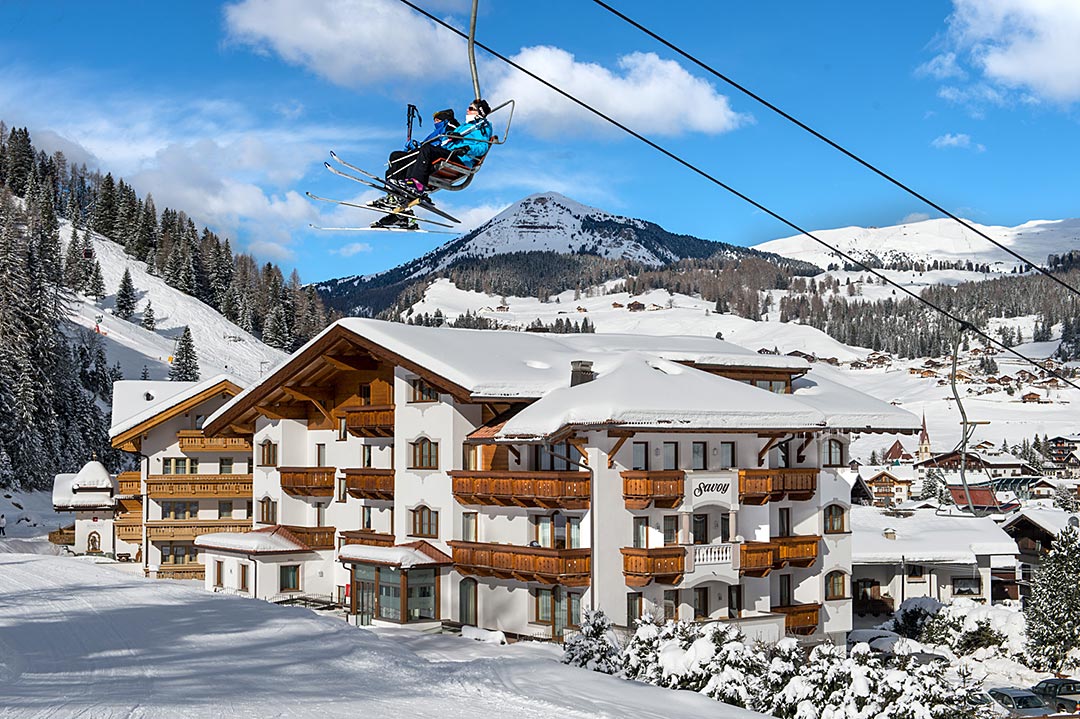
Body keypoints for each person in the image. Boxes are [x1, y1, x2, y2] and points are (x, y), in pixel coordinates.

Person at [372, 99, 493, 229]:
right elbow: (445, 140)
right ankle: (393, 193)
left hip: (459, 157)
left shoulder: (482, 127)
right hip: (448, 152)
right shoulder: (464, 126)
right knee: (397, 156)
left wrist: (467, 148)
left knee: (427, 150)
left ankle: (417, 184)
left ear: (478, 112)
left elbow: (482, 146)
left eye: (470, 108)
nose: (467, 110)